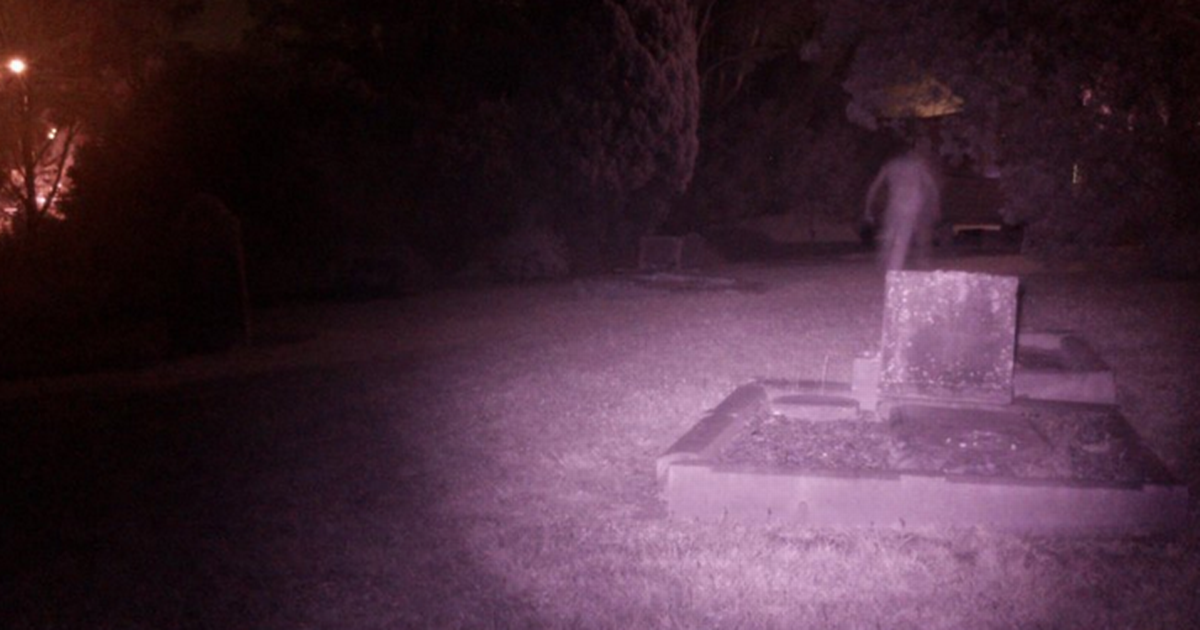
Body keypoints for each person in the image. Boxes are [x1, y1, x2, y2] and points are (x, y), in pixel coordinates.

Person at [863, 146, 942, 270]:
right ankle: (894, 269)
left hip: (894, 203)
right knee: (902, 237)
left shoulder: (890, 165)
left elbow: (874, 186)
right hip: (912, 204)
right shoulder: (917, 165)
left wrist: (867, 208)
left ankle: (883, 264)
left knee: (889, 234)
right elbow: (931, 186)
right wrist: (935, 204)